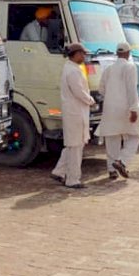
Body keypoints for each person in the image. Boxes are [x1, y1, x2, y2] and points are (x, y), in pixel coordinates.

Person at [94, 42, 139, 179]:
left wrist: (111, 97)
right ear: (128, 53)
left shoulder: (109, 68)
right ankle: (122, 161)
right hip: (126, 109)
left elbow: (101, 89)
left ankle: (111, 170)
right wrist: (134, 109)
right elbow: (132, 89)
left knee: (112, 138)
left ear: (117, 53)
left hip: (110, 109)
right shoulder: (130, 67)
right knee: (135, 136)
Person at [51, 43, 96, 189]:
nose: (84, 56)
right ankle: (73, 179)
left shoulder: (70, 68)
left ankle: (59, 171)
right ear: (75, 54)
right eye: (82, 54)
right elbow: (79, 92)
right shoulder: (73, 71)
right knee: (76, 147)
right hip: (76, 112)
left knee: (72, 145)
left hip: (74, 112)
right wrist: (91, 101)